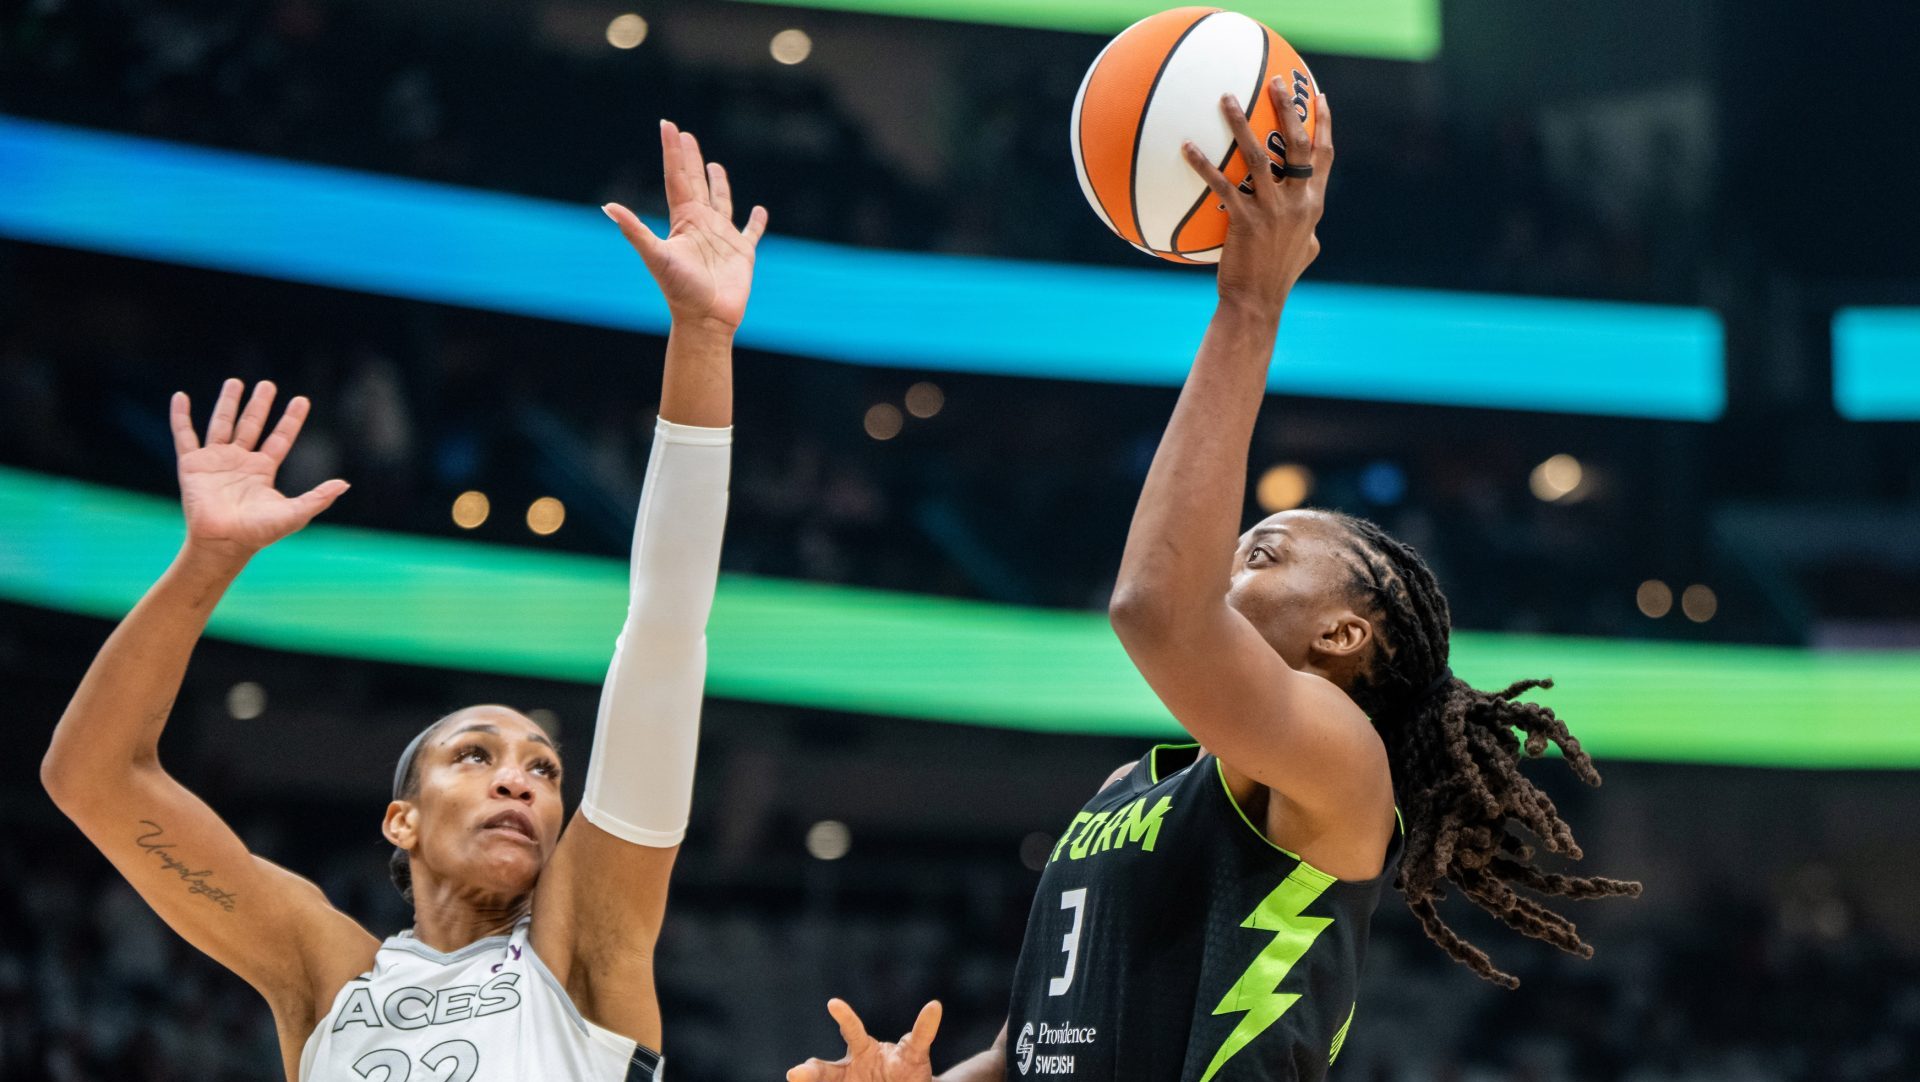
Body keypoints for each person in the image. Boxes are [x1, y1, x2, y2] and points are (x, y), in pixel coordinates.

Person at [790, 84, 1639, 1082]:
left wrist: (1249, 302)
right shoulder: (1125, 787)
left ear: (1343, 635)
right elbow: (1037, 1050)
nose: (1230, 559)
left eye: (1266, 554)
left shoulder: (1340, 765)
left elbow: (1155, 605)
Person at [39, 119, 766, 1081]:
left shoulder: (584, 950)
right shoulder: (327, 977)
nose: (522, 783)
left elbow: (665, 630)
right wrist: (204, 567)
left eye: (546, 772)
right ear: (402, 822)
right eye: (477, 755)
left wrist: (702, 340)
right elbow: (91, 779)